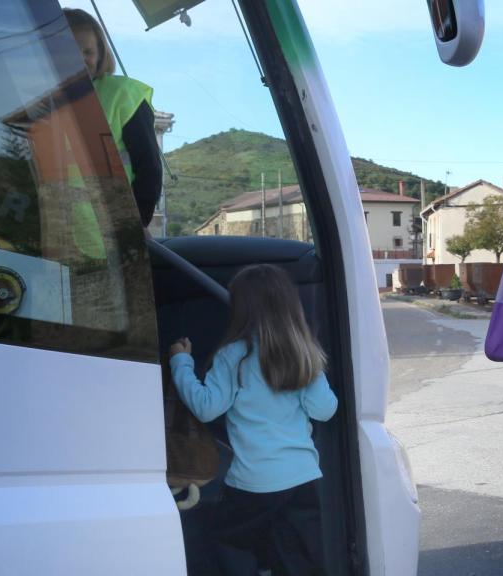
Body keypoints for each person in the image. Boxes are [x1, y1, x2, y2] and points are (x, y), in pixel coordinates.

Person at [169, 264, 337, 575]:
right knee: (298, 558)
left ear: (240, 308)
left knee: (231, 546)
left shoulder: (234, 355)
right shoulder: (304, 353)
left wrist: (180, 360)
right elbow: (324, 409)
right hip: (302, 479)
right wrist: (315, 373)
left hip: (253, 483)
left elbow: (206, 408)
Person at [63, 8, 162, 227]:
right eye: (68, 49)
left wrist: (135, 226)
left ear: (100, 56)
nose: (80, 58)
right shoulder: (37, 104)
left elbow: (149, 169)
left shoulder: (122, 96)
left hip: (112, 234)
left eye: (87, 51)